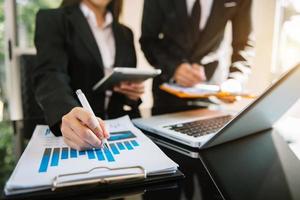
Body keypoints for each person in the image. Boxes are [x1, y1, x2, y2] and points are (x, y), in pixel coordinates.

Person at [32, 0, 144, 150]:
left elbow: (126, 83)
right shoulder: (53, 19)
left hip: (116, 132)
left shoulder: (125, 33)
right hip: (76, 131)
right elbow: (50, 74)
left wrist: (132, 96)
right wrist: (67, 112)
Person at [140, 0, 253, 113]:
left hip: (213, 88)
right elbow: (148, 40)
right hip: (167, 91)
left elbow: (243, 43)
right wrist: (173, 67)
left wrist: (235, 80)